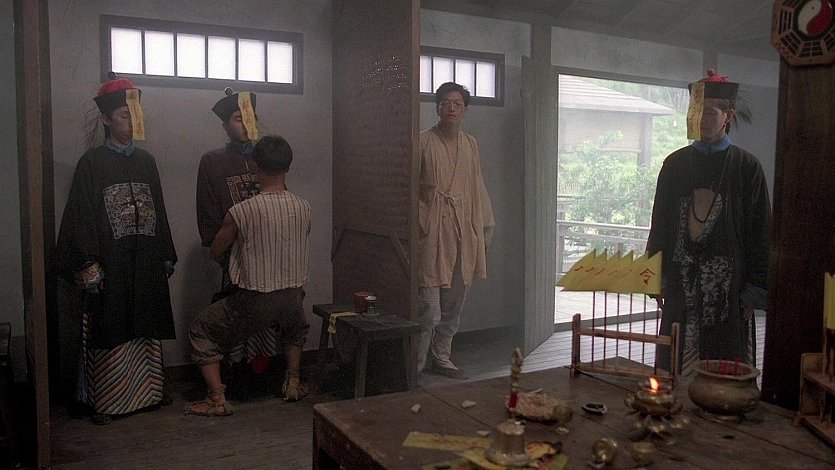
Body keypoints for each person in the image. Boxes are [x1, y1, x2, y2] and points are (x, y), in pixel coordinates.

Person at [56, 73, 177, 425]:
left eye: (135, 114)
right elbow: (82, 216)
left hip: (145, 257)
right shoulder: (91, 164)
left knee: (145, 320)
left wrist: (164, 252)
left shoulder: (146, 161)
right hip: (111, 261)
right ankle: (109, 400)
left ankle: (149, 393)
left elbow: (158, 209)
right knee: (111, 324)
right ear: (107, 119)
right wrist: (89, 263)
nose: (132, 121)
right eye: (125, 115)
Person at [646, 69, 771, 375]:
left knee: (725, 370)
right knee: (674, 367)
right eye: (696, 111)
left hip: (728, 288)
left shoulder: (746, 167)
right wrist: (656, 277)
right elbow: (660, 224)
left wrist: (753, 289)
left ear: (728, 116)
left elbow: (760, 232)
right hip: (681, 281)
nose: (701, 118)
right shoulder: (674, 165)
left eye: (710, 112)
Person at [186, 135, 311, 416]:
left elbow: (216, 251)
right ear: (288, 167)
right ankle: (293, 383)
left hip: (254, 300)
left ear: (256, 167)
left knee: (200, 329)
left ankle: (217, 399)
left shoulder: (241, 211)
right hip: (293, 297)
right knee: (294, 329)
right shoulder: (304, 207)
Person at [196, 88, 280, 380]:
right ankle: (236, 377)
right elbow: (208, 215)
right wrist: (224, 256)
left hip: (270, 260)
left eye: (250, 116)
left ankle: (264, 376)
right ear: (224, 125)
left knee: (267, 322)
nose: (245, 123)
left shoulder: (268, 159)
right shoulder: (213, 161)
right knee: (235, 319)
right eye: (237, 118)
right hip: (234, 260)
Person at [416, 82, 495, 380]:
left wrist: (483, 227)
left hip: (463, 229)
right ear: (437, 108)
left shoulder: (470, 144)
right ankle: (416, 363)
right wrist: (421, 219)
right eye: (445, 103)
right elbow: (410, 189)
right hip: (432, 231)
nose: (451, 108)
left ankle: (442, 356)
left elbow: (477, 186)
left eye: (457, 103)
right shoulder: (422, 141)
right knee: (429, 309)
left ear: (465, 110)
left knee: (454, 304)